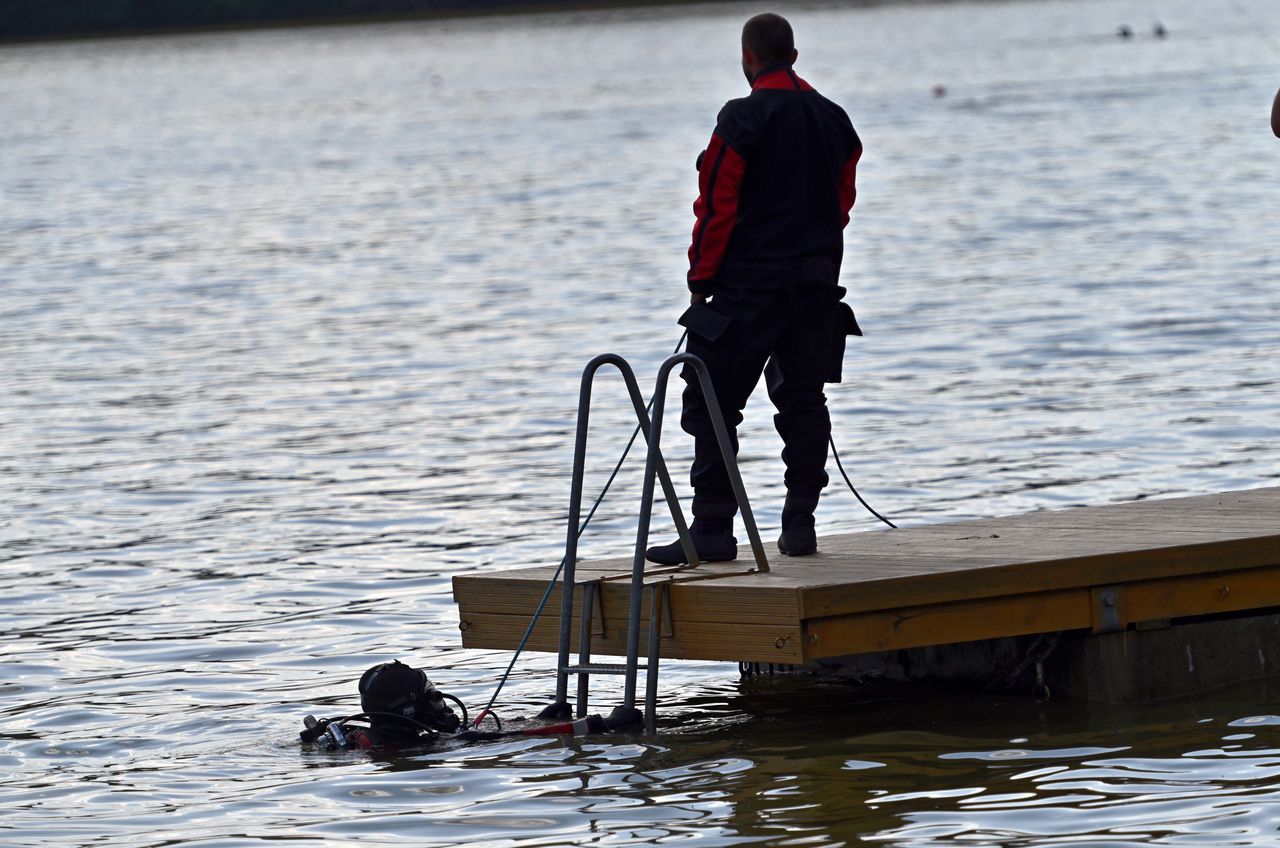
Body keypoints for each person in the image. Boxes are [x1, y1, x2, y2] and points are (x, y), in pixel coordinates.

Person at [646, 12, 863, 565]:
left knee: (710, 401)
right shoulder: (836, 120)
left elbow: (715, 205)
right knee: (803, 400)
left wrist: (700, 279)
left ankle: (714, 530)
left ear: (748, 57)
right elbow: (841, 205)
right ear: (792, 53)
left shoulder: (741, 119)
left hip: (748, 289)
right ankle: (800, 524)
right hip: (815, 286)